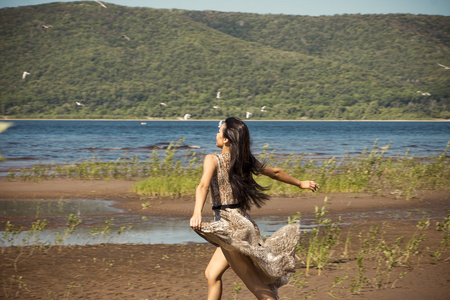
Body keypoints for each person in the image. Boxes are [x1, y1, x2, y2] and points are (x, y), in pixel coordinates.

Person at [190, 117, 319, 300]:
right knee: (211, 273)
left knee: (257, 286)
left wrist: (197, 213)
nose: (217, 134)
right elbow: (275, 172)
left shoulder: (212, 159)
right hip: (242, 225)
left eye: (220, 131)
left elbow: (202, 186)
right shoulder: (245, 160)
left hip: (230, 228)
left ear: (226, 139)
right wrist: (300, 183)